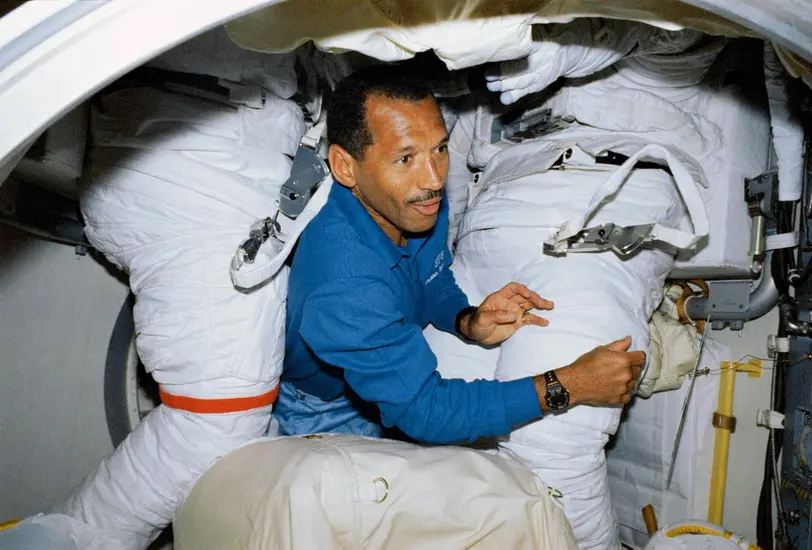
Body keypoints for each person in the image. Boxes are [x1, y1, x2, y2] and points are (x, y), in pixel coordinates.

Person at [273, 64, 645, 443]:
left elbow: (433, 277)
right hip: (326, 409)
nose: (434, 179)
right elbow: (428, 411)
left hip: (390, 366)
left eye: (440, 149)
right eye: (405, 158)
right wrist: (570, 384)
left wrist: (467, 319)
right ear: (345, 167)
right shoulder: (345, 282)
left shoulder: (409, 201)